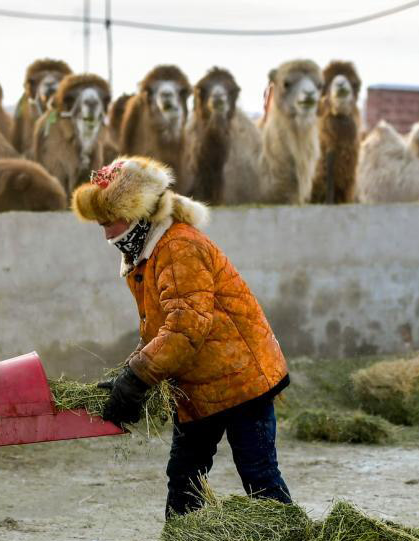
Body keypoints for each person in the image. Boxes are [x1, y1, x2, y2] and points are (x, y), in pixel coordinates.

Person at [71, 156, 291, 517]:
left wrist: (137, 377)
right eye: (101, 222)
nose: (107, 232)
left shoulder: (179, 247)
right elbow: (161, 328)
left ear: (138, 211)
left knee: (259, 476)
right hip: (198, 386)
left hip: (242, 380)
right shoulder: (146, 256)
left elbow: (186, 326)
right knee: (185, 478)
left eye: (111, 220)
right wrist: (131, 373)